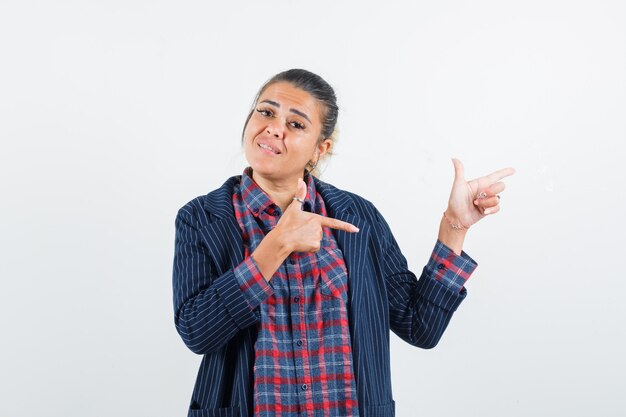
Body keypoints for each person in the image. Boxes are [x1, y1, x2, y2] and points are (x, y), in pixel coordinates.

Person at [172, 68, 515, 417]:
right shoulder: (201, 218)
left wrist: (454, 226)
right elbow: (197, 333)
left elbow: (419, 326)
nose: (274, 127)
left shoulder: (359, 217)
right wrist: (276, 245)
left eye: (296, 124)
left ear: (320, 149)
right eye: (266, 111)